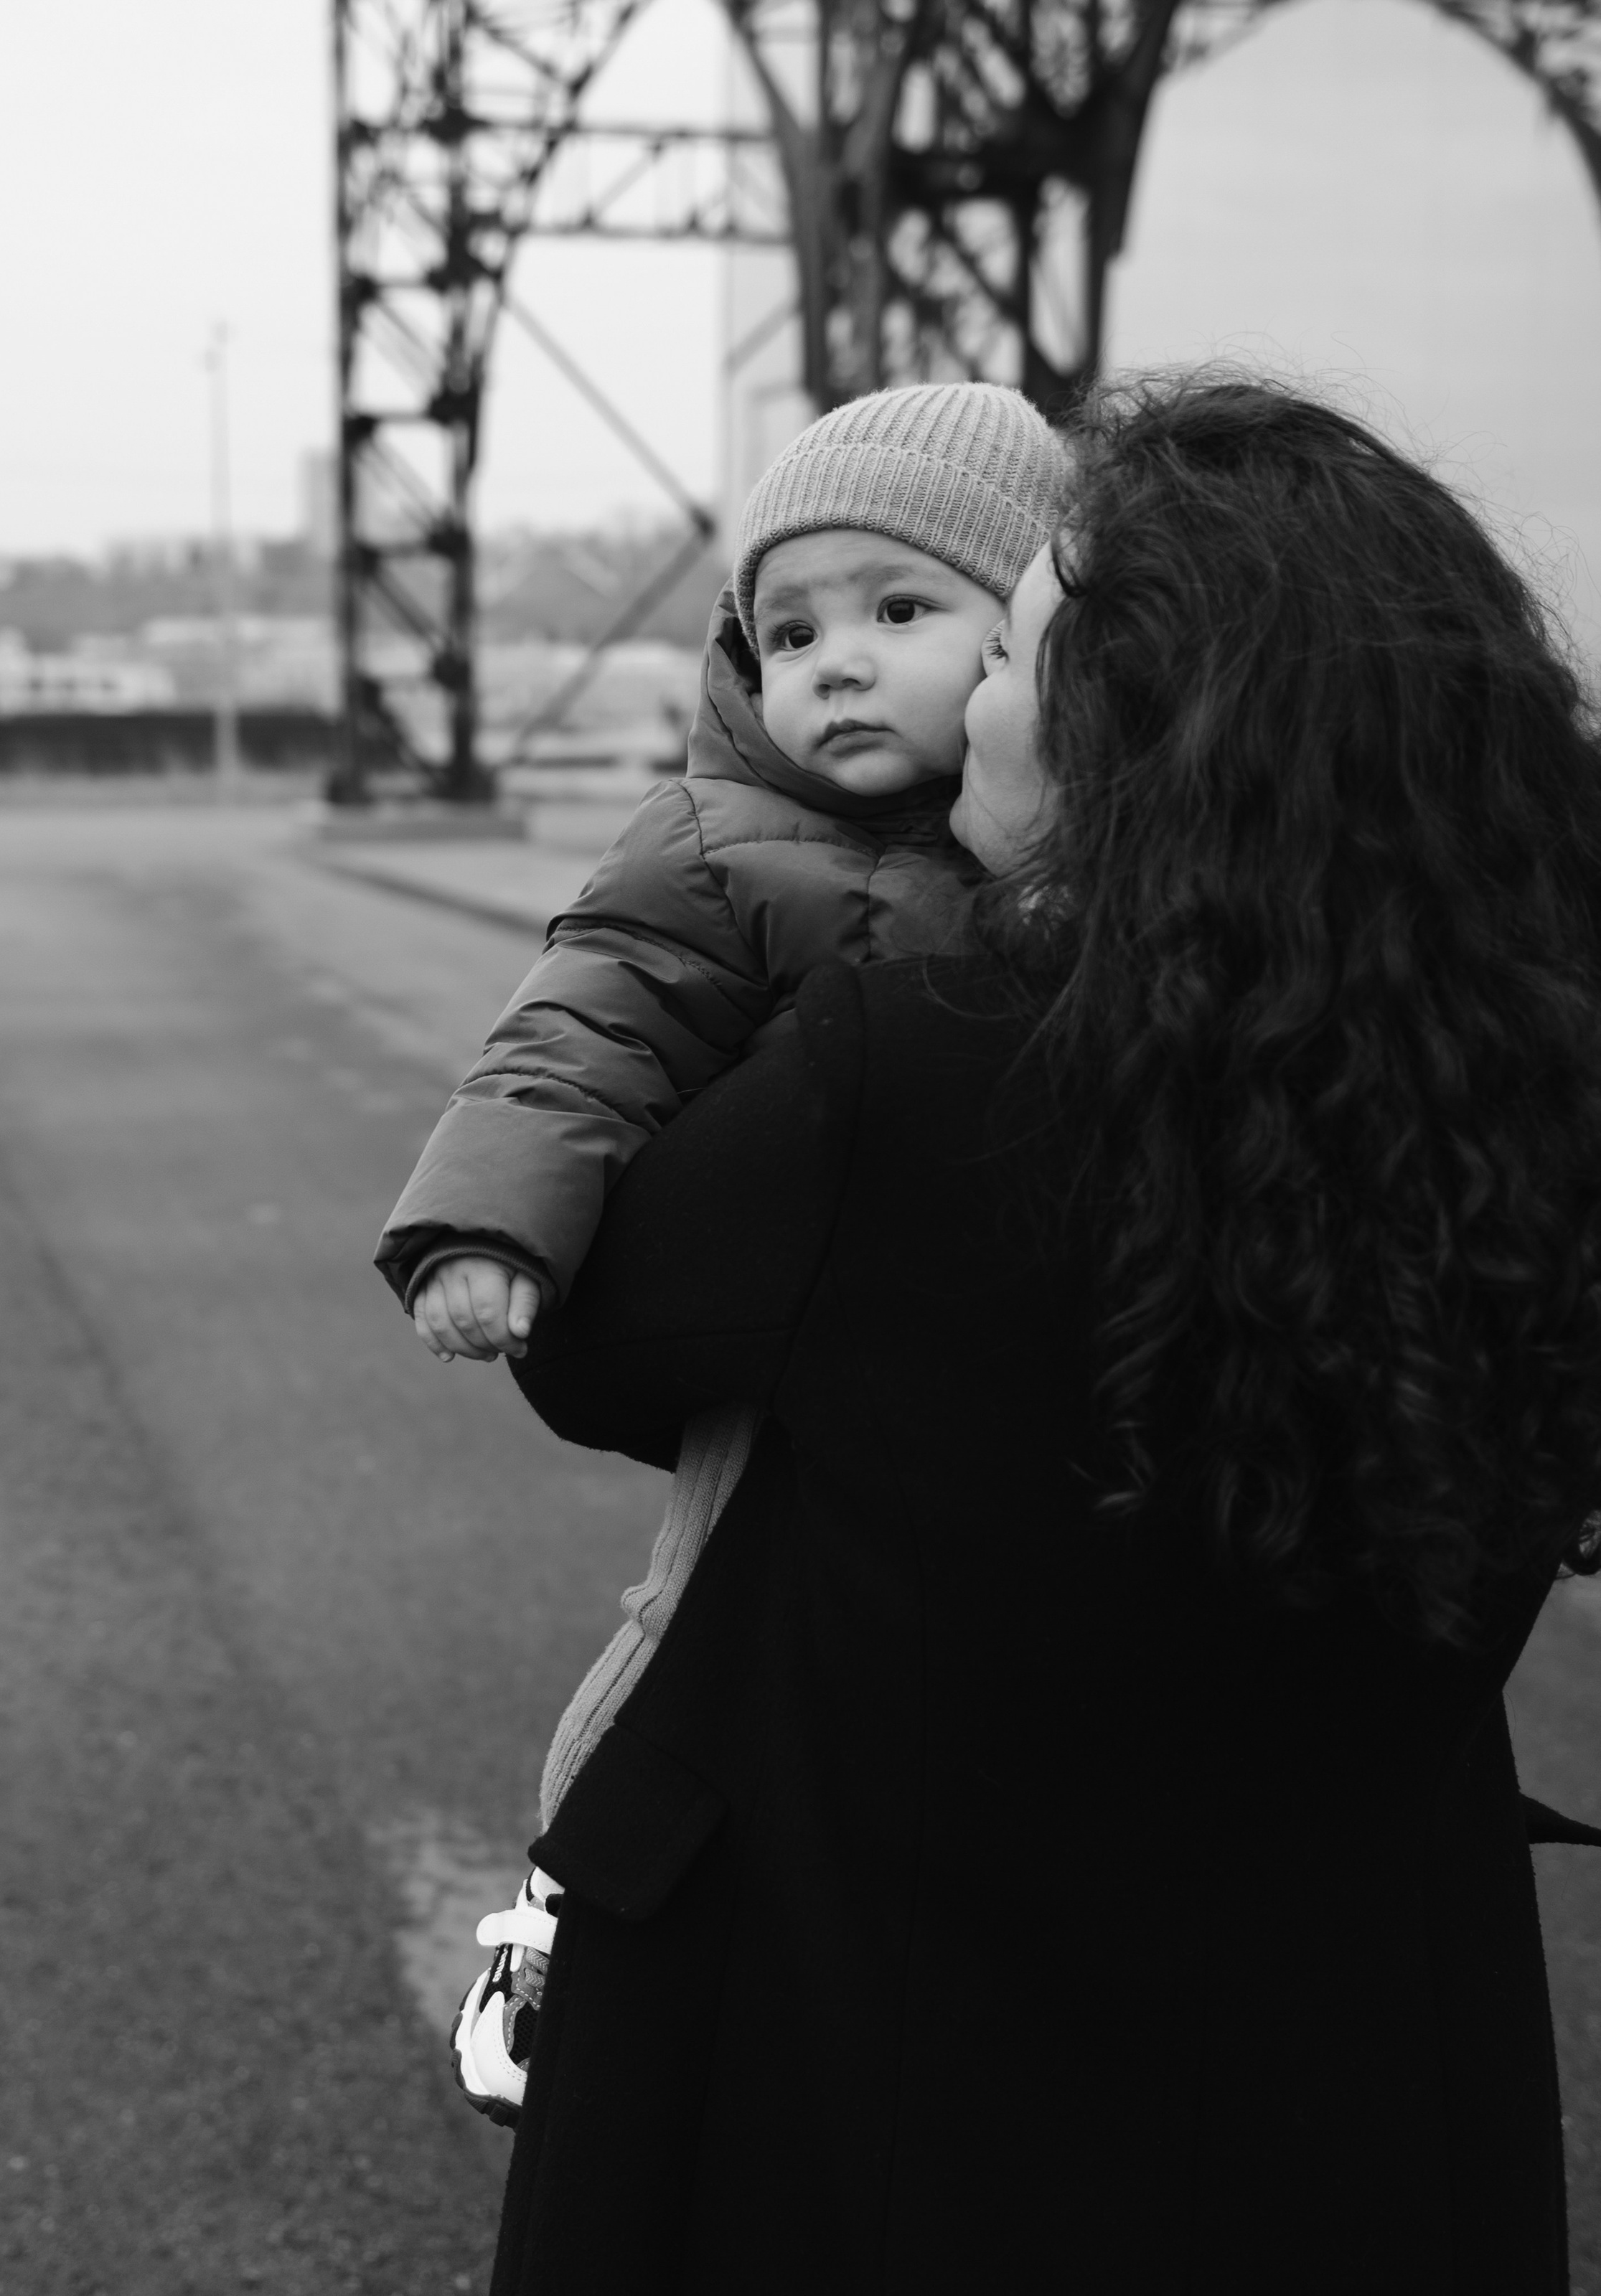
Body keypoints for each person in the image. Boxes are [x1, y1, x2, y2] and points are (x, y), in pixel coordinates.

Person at [489, 374, 1601, 2294]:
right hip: (1347, 2061)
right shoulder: (1539, 1083)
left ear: (1126, 731)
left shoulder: (905, 1063)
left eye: (1005, 648)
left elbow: (590, 1349)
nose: (963, 705)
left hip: (878, 2040)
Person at [375, 382, 1069, 2117]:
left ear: (1037, 639)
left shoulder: (1074, 851)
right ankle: (560, 1911)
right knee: (689, 1625)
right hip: (788, 1349)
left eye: (899, 612)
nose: (834, 661)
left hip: (985, 1363)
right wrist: (485, 1223)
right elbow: (576, 1033)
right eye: (788, 627)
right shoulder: (714, 845)